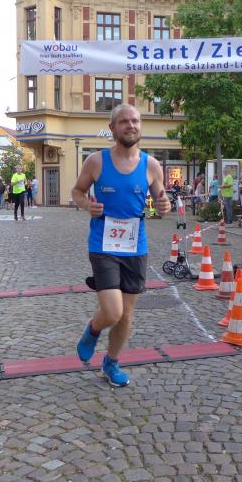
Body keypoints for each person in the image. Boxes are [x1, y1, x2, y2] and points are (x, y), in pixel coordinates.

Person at [73, 104, 170, 387]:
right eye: (124, 121)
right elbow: (77, 192)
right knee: (113, 311)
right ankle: (93, 330)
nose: (131, 125)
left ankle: (111, 363)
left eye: (135, 121)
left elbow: (161, 199)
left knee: (126, 315)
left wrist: (164, 206)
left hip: (135, 245)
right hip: (103, 243)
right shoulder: (96, 161)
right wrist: (86, 205)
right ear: (113, 128)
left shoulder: (151, 165)